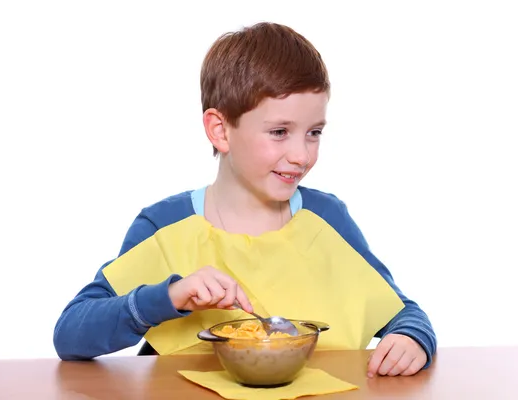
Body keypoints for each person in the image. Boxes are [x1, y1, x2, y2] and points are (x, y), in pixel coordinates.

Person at [53, 22, 437, 378]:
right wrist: (167, 297)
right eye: (280, 131)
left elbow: (403, 313)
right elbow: (71, 334)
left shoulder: (327, 218)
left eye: (314, 132)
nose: (302, 155)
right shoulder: (164, 226)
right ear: (220, 130)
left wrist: (412, 339)